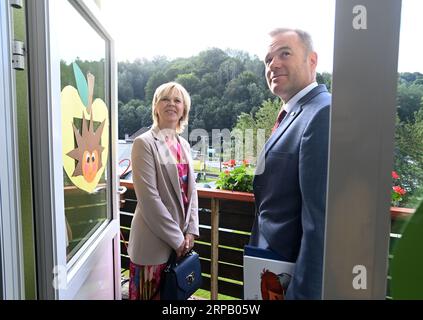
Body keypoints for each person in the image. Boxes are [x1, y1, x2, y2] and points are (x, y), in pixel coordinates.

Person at [249, 28, 331, 299]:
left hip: (293, 282)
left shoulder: (322, 113)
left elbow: (319, 223)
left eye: (285, 53)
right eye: (268, 59)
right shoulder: (294, 112)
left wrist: (302, 294)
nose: (273, 64)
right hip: (271, 267)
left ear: (312, 60)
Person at [127, 82, 199, 300]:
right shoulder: (144, 143)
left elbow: (192, 192)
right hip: (152, 246)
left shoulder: (184, 145)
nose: (172, 104)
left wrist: (191, 231)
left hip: (180, 245)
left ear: (183, 110)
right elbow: (149, 200)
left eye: (178, 100)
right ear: (155, 106)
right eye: (165, 99)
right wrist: (178, 240)